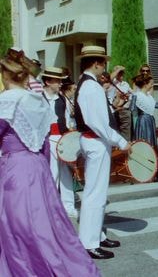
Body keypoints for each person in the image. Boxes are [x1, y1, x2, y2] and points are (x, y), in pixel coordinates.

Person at [0, 50, 100, 276]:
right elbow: (44, 143)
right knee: (45, 223)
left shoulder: (5, 100)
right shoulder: (38, 100)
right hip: (38, 167)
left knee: (15, 225)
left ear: (6, 75)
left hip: (14, 169)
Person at [74, 45, 130, 259]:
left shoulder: (90, 85)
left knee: (98, 193)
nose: (105, 67)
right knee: (94, 194)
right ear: (97, 63)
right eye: (104, 63)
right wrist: (121, 141)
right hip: (96, 142)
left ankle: (96, 235)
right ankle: (89, 243)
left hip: (96, 141)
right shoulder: (91, 87)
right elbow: (97, 122)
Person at [41, 66, 79, 218]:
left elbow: (67, 119)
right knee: (52, 173)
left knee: (65, 173)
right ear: (48, 81)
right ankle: (50, 206)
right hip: (46, 139)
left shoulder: (62, 99)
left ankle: (68, 205)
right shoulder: (38, 97)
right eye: (57, 81)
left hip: (61, 139)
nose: (60, 84)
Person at [130, 74, 158, 151]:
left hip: (150, 121)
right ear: (145, 84)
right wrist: (133, 97)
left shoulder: (149, 96)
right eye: (151, 84)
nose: (152, 86)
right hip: (143, 121)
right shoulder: (137, 95)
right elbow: (132, 109)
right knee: (144, 140)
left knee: (151, 142)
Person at [110, 65, 133, 141]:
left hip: (124, 110)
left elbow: (133, 94)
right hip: (114, 111)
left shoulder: (126, 84)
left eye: (122, 73)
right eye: (119, 73)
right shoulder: (112, 83)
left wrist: (128, 97)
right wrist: (118, 69)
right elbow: (109, 78)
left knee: (126, 135)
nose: (121, 74)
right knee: (115, 133)